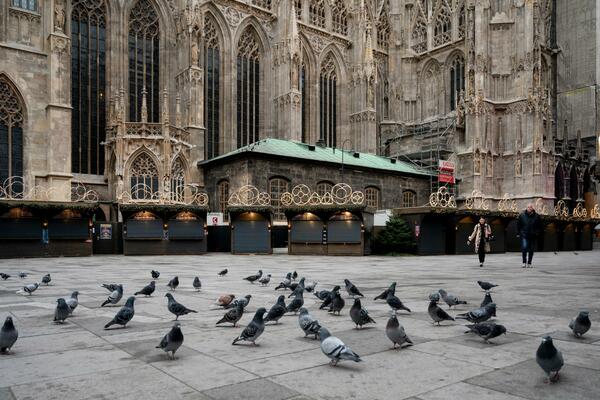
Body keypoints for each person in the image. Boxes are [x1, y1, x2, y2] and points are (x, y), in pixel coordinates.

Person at [517, 203, 542, 268]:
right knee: (524, 248)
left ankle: (529, 263)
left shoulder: (537, 216)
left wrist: (537, 233)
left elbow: (539, 226)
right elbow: (519, 225)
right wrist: (519, 233)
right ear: (526, 208)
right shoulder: (522, 215)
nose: (529, 208)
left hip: (533, 235)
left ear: (533, 208)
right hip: (524, 235)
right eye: (528, 207)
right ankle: (524, 262)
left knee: (531, 249)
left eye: (530, 207)